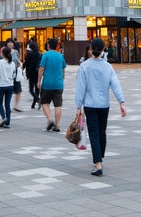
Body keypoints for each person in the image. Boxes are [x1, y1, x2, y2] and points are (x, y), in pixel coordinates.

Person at [75, 37, 126, 177]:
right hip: (104, 104)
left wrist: (78, 106)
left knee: (94, 134)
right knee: (102, 131)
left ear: (91, 49)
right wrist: (121, 102)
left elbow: (81, 87)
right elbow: (115, 84)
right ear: (104, 50)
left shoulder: (84, 66)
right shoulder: (108, 66)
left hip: (90, 105)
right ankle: (100, 156)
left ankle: (98, 163)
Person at [37, 38, 66, 132]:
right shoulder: (60, 56)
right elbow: (63, 70)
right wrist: (61, 80)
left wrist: (38, 81)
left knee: (44, 102)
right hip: (58, 84)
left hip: (47, 84)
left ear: (48, 45)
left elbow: (41, 69)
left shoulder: (46, 55)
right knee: (58, 105)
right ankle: (57, 126)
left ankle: (50, 119)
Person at [0, 47, 17, 128]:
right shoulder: (12, 63)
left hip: (1, 85)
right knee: (7, 104)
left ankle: (4, 117)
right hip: (10, 85)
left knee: (0, 103)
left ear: (3, 53)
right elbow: (14, 75)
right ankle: (8, 122)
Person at [23, 42, 41, 109]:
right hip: (38, 72)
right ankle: (33, 104)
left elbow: (26, 63)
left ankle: (38, 100)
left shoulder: (29, 54)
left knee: (31, 89)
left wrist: (22, 68)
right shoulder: (39, 54)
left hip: (31, 73)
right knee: (37, 89)